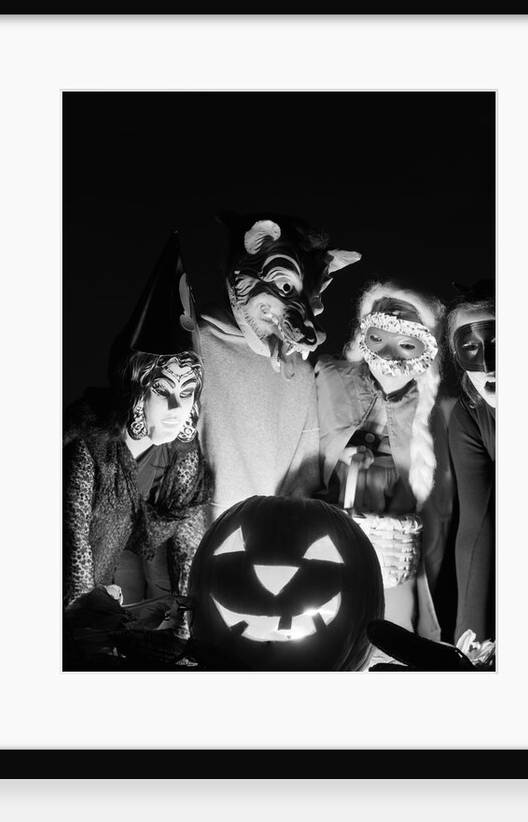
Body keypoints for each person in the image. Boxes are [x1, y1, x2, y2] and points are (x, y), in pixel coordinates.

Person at [63, 232, 213, 621]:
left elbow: (185, 537)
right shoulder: (88, 445)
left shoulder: (182, 454)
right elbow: (73, 538)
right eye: (164, 391)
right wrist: (83, 615)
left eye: (188, 391)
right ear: (136, 390)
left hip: (128, 569)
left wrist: (185, 621)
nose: (178, 408)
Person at [315, 279, 457, 648]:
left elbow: (438, 484)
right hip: (334, 504)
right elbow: (308, 437)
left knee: (390, 618)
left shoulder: (436, 408)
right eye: (379, 338)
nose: (391, 358)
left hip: (397, 525)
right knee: (323, 605)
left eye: (407, 344)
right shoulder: (329, 378)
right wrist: (340, 453)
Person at [197, 212, 362, 523]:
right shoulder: (193, 350)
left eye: (311, 296)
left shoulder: (298, 371)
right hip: (204, 545)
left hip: (277, 540)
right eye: (286, 288)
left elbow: (304, 473)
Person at [445, 279, 496, 645]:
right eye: (471, 348)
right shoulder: (469, 415)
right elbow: (477, 524)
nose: (489, 364)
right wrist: (471, 639)